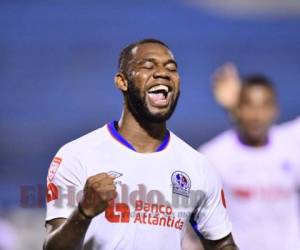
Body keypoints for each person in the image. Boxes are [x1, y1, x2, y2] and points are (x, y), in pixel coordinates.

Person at [43, 39, 237, 250]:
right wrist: (84, 212)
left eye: (171, 68)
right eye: (148, 66)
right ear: (122, 82)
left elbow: (222, 244)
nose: (163, 73)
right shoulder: (77, 155)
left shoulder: (198, 166)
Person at [199, 64, 300, 250]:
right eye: (249, 106)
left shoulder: (293, 143)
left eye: (264, 106)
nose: (256, 115)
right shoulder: (214, 155)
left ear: (275, 109)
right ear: (237, 109)